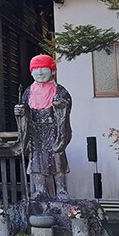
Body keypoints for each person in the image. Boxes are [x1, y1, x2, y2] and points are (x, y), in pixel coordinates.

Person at [14, 54, 72, 200]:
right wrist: (20, 112)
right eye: (36, 69)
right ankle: (40, 190)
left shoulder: (59, 90)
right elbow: (25, 110)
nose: (39, 73)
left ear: (52, 71)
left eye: (43, 69)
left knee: (57, 158)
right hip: (35, 130)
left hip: (54, 128)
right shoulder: (28, 92)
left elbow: (65, 106)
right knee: (37, 160)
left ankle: (61, 190)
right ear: (31, 72)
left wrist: (61, 106)